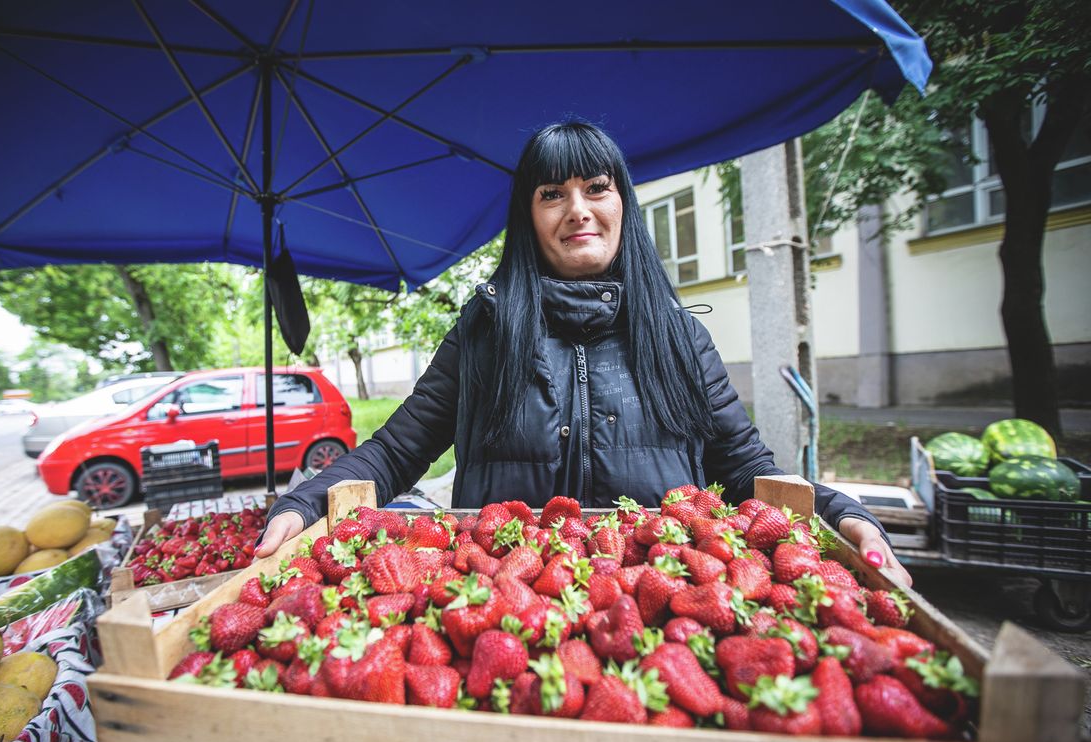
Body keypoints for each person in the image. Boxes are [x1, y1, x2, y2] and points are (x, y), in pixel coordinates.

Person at [257, 121, 911, 586]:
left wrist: (840, 512)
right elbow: (396, 450)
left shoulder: (679, 337)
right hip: (497, 612)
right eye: (552, 194)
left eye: (596, 188)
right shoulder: (484, 332)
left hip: (658, 620)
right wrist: (304, 502)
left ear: (622, 203)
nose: (578, 210)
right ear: (529, 217)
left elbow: (750, 474)